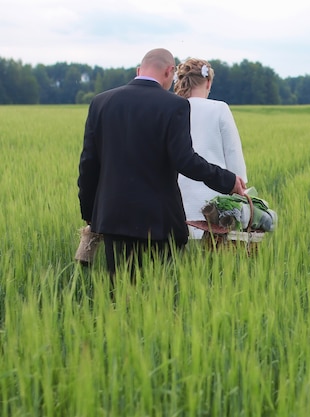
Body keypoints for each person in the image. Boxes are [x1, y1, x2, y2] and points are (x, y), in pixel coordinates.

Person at [77, 48, 247, 283]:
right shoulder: (174, 105)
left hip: (113, 217)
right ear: (169, 71)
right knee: (161, 293)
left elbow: (88, 164)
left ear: (139, 70)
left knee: (121, 291)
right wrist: (227, 180)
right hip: (159, 221)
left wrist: (90, 213)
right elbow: (185, 160)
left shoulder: (101, 102)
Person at [173, 58, 248, 239]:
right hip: (215, 205)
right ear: (208, 82)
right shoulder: (219, 109)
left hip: (175, 203)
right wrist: (241, 193)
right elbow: (233, 155)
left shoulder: (171, 109)